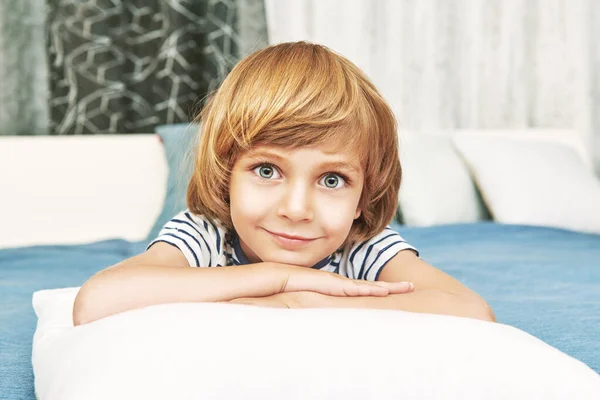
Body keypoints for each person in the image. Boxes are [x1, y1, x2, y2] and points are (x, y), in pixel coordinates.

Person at [73, 41, 495, 326]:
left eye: (332, 179)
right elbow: (97, 301)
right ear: (226, 175)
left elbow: (472, 312)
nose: (296, 209)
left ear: (364, 198)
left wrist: (302, 302)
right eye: (267, 171)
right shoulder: (206, 234)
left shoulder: (362, 246)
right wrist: (281, 278)